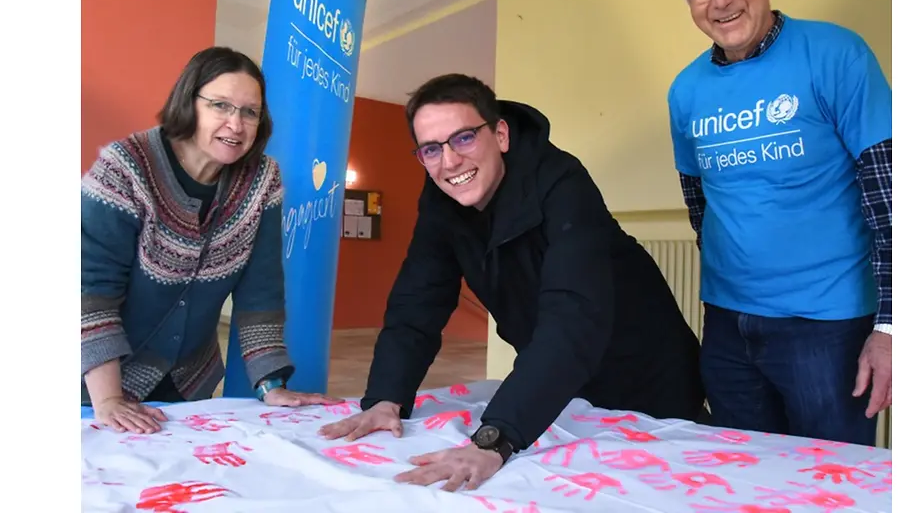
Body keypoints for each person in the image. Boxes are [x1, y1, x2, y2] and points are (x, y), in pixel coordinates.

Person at [318, 73, 705, 491]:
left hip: (648, 373)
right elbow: (418, 302)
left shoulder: (562, 181)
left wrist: (495, 437)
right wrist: (384, 398)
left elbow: (573, 316)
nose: (449, 163)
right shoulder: (439, 202)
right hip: (560, 388)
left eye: (463, 138)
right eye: (431, 149)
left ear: (500, 134)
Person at [666, 0, 892, 446]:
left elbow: (893, 198)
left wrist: (891, 328)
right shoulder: (685, 90)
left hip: (828, 328)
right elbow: (701, 204)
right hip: (726, 326)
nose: (720, 0)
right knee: (745, 480)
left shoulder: (837, 54)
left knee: (832, 486)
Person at [81, 46, 342, 433]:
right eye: (220, 105)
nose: (236, 125)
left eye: (249, 112)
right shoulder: (124, 169)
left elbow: (261, 290)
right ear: (190, 102)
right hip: (93, 382)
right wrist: (108, 399)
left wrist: (271, 385)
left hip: (187, 380)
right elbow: (89, 291)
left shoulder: (262, 179)